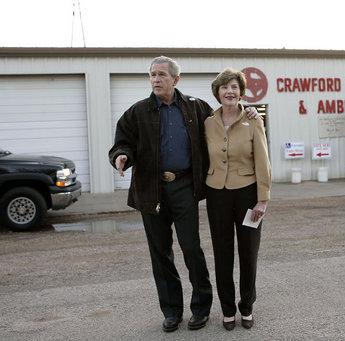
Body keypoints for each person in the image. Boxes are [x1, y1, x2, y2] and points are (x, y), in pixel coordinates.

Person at [108, 56, 258, 333]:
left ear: (176, 80)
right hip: (150, 190)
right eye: (152, 74)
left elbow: (224, 120)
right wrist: (121, 157)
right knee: (160, 254)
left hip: (184, 187)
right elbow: (122, 143)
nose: (156, 79)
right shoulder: (137, 112)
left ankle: (200, 308)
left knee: (191, 249)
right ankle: (171, 311)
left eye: (162, 75)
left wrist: (249, 112)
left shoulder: (195, 107)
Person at [204, 68, 271, 331]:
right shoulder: (208, 122)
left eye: (234, 87)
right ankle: (227, 309)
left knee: (248, 253)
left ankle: (247, 306)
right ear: (217, 92)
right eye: (224, 87)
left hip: (247, 194)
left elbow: (263, 161)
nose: (229, 92)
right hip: (216, 194)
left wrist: (262, 199)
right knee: (222, 254)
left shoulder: (254, 120)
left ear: (241, 92)